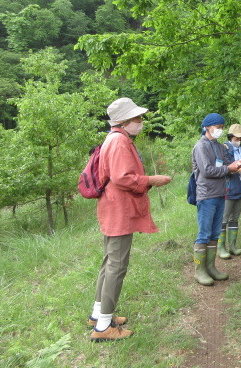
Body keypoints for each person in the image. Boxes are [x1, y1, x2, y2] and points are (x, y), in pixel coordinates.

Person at [89, 97, 172, 342]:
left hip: (114, 208)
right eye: (137, 118)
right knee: (116, 265)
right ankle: (103, 327)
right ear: (124, 121)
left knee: (109, 263)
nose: (141, 121)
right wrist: (152, 180)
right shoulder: (118, 142)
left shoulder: (117, 139)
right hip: (119, 210)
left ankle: (97, 315)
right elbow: (122, 178)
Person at [192, 113, 241, 286]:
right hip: (206, 195)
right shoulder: (200, 146)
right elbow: (208, 170)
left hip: (220, 193)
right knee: (204, 233)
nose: (220, 130)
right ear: (208, 127)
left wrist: (239, 165)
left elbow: (227, 163)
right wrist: (229, 168)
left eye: (222, 127)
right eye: (218, 127)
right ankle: (199, 271)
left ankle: (211, 267)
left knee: (215, 234)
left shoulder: (219, 146)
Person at [217, 124, 241, 259]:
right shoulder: (223, 149)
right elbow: (220, 169)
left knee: (235, 218)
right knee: (223, 219)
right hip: (228, 188)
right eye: (238, 137)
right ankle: (221, 248)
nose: (240, 139)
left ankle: (232, 245)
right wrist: (236, 169)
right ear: (231, 136)